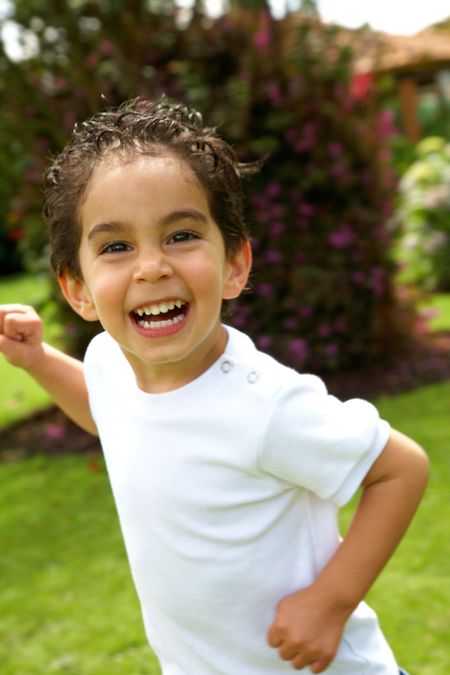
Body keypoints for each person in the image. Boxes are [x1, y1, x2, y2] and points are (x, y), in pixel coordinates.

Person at [0, 97, 428, 675]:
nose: (152, 266)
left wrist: (330, 603)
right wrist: (38, 361)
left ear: (235, 266)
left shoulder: (264, 404)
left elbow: (400, 468)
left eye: (180, 235)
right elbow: (112, 415)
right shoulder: (108, 361)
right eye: (117, 246)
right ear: (78, 289)